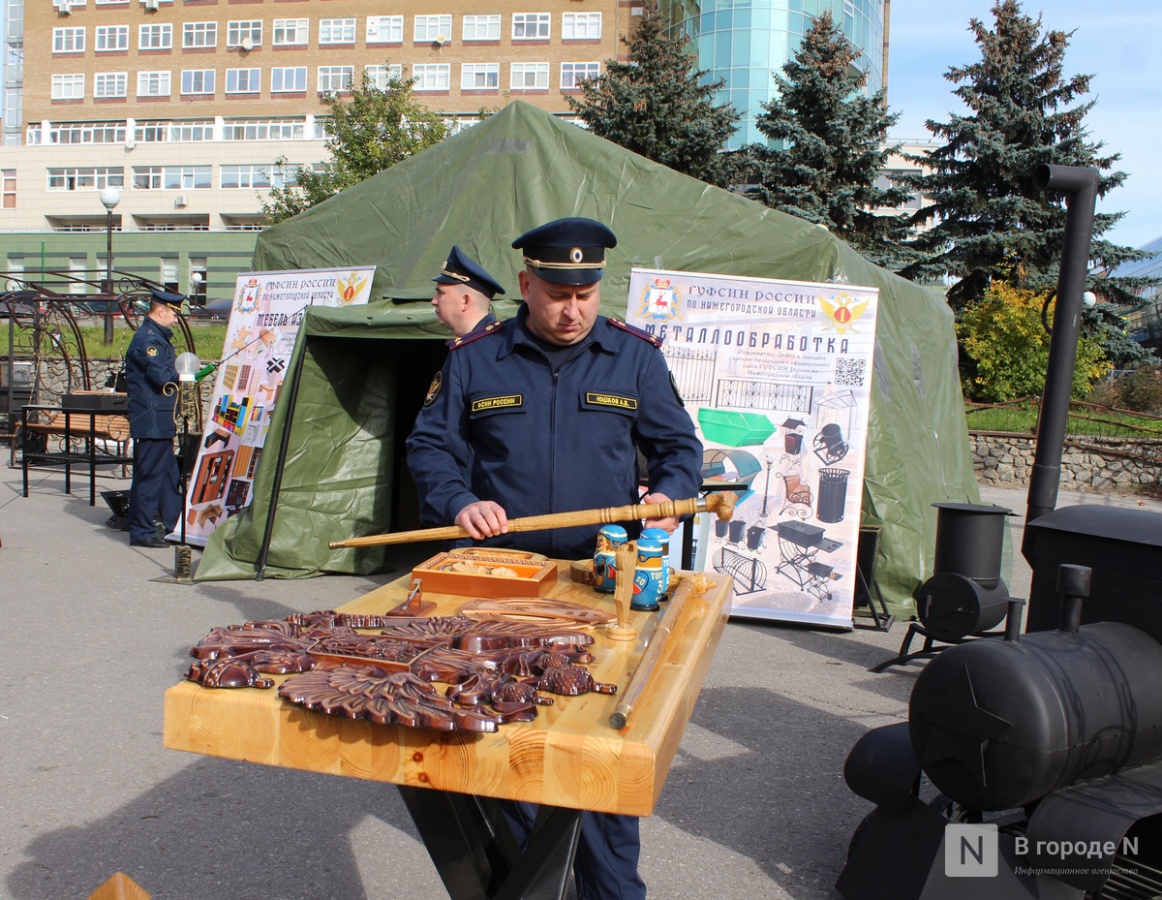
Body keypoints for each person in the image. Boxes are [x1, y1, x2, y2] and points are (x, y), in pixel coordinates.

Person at [407, 217, 703, 899]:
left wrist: (669, 493)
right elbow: (430, 446)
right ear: (525, 284)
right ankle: (534, 880)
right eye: (558, 295)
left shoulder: (634, 357)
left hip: (601, 582)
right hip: (501, 582)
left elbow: (679, 448)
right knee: (505, 739)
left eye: (586, 294)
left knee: (598, 751)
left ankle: (611, 891)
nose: (573, 310)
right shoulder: (476, 358)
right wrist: (459, 501)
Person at [125, 288, 185, 548]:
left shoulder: (157, 337)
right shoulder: (147, 340)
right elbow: (162, 377)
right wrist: (187, 373)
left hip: (161, 419)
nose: (176, 319)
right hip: (151, 420)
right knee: (149, 476)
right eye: (174, 314)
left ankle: (175, 524)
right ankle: (142, 530)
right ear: (161, 311)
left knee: (168, 475)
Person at [430, 245, 505, 338]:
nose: (433, 301)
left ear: (465, 301)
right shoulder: (478, 341)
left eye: (441, 293)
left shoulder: (489, 344)